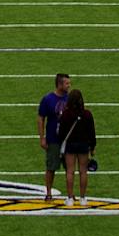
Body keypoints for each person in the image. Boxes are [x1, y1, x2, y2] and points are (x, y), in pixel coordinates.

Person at [59, 87, 95, 206]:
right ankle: (83, 198)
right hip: (83, 145)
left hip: (70, 145)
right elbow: (91, 132)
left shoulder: (66, 114)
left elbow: (61, 132)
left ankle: (70, 198)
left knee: (70, 171)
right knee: (83, 172)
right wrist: (92, 146)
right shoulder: (87, 114)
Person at [36, 72, 70, 200]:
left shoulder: (70, 98)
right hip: (53, 139)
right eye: (67, 83)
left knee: (70, 169)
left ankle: (70, 195)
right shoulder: (48, 99)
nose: (69, 85)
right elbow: (41, 118)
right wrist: (42, 137)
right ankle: (48, 193)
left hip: (68, 139)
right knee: (51, 167)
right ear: (59, 84)